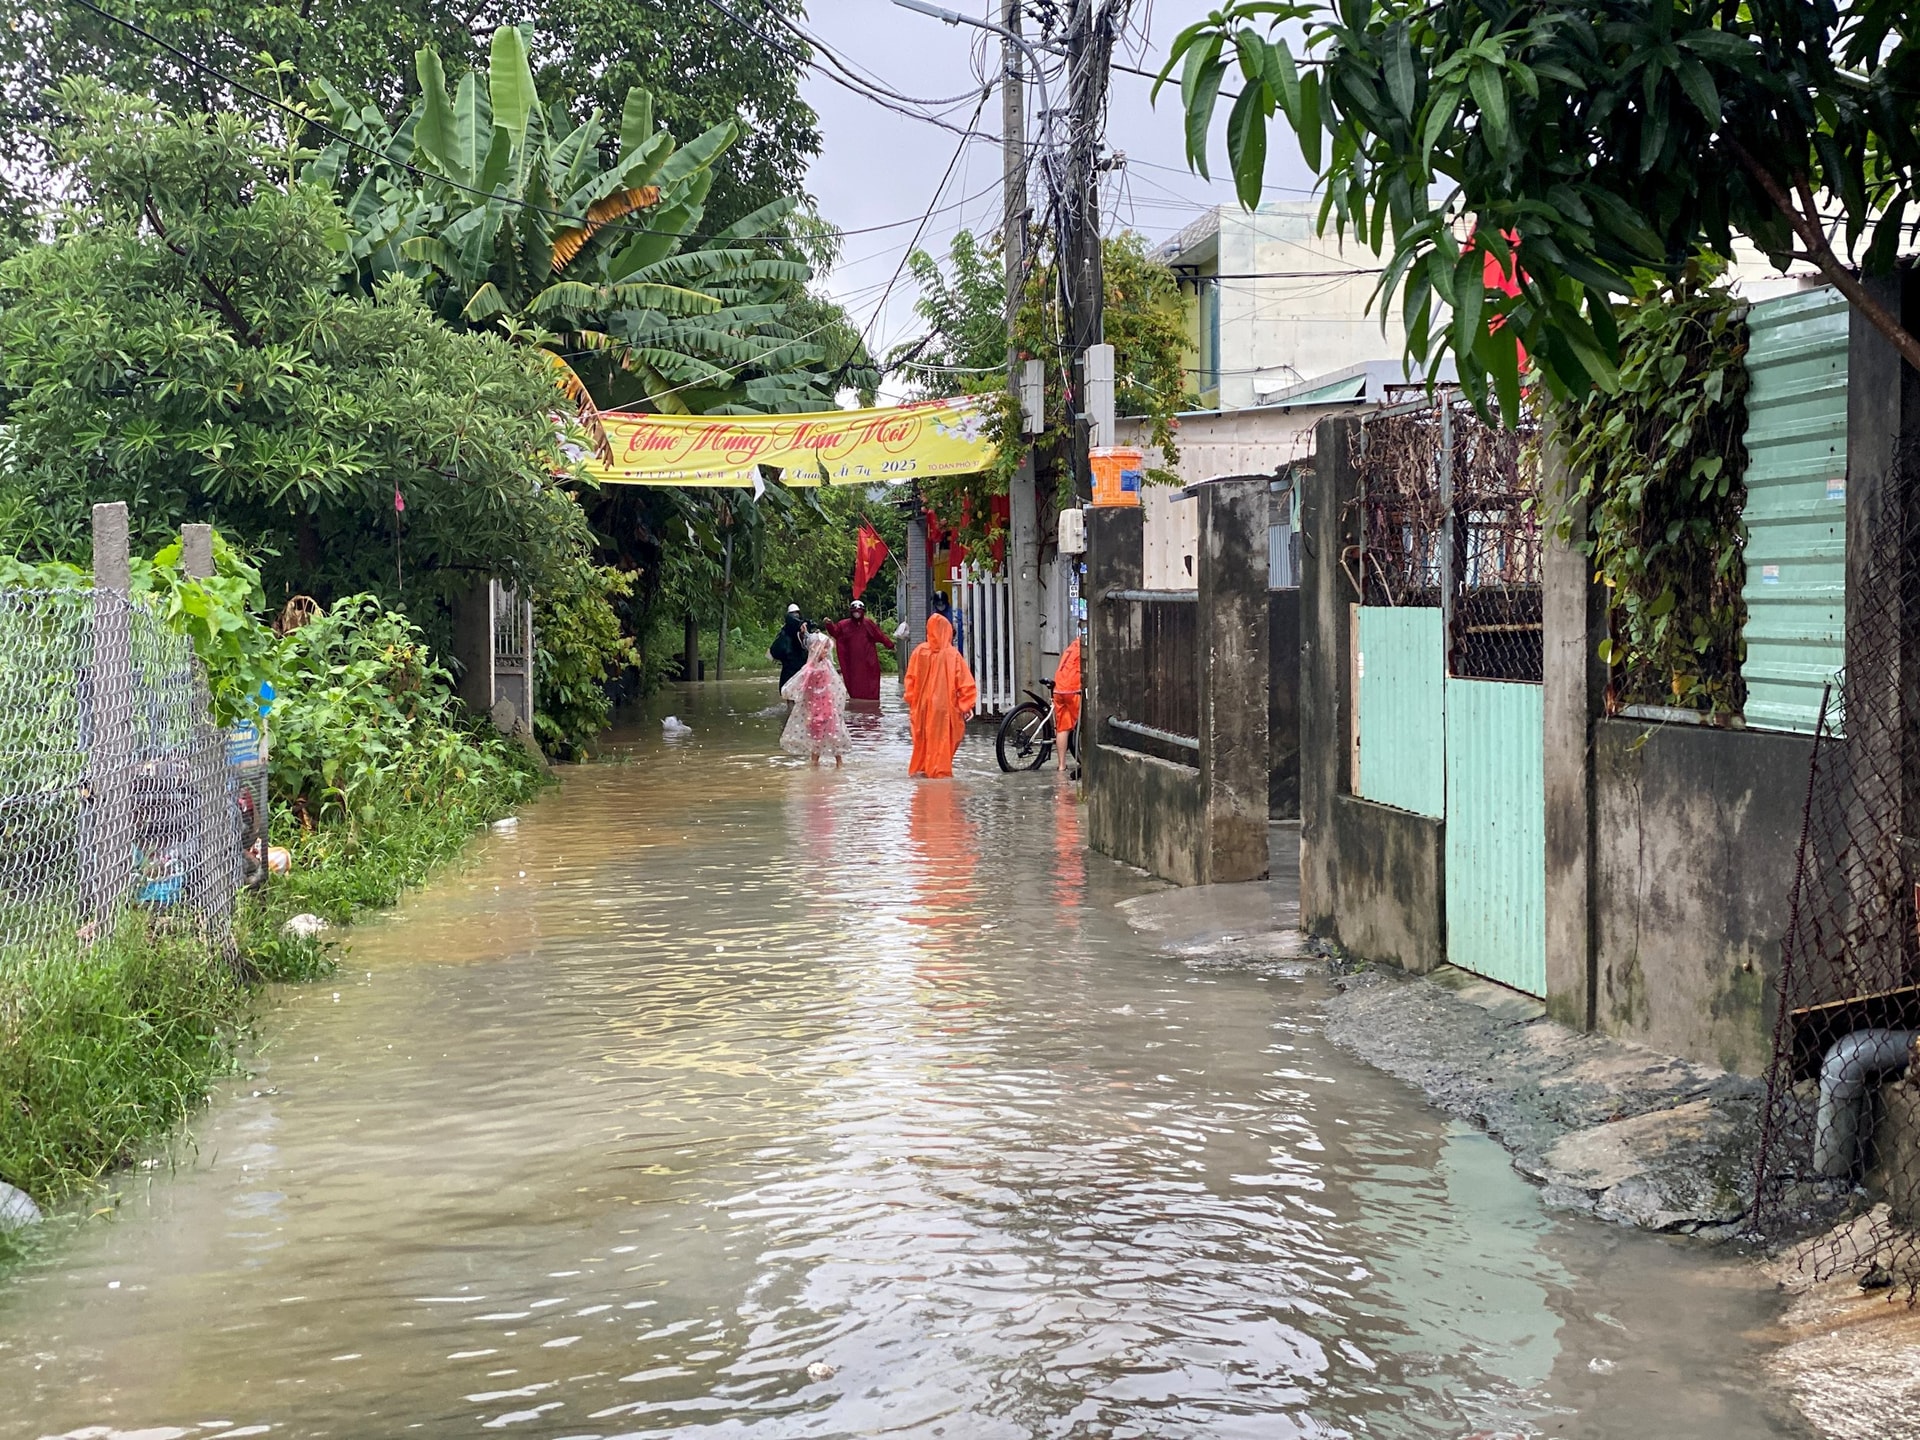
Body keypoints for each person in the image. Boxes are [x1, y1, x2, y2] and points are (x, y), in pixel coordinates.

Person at [904, 612, 977, 779]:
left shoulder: (919, 652)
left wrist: (913, 702)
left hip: (922, 707)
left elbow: (910, 680)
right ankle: (939, 775)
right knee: (942, 741)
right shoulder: (953, 655)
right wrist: (966, 706)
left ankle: (922, 772)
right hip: (944, 708)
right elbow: (965, 683)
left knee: (923, 741)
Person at [779, 632, 852, 767]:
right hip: (814, 706)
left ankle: (838, 762)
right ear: (814, 648)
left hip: (828, 705)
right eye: (823, 647)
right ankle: (815, 763)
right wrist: (790, 693)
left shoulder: (827, 665)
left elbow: (836, 683)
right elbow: (800, 684)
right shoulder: (809, 669)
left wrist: (838, 700)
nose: (825, 651)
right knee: (816, 736)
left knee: (834, 732)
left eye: (826, 648)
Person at [823, 599, 895, 704]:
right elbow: (835, 632)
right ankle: (857, 706)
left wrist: (890, 645)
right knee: (854, 686)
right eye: (854, 612)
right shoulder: (843, 624)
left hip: (868, 662)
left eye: (859, 611)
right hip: (852, 663)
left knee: (871, 686)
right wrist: (829, 624)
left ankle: (871, 707)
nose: (857, 614)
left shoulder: (868, 623)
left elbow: (880, 635)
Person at [1051, 635, 1082, 772]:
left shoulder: (1071, 647)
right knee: (1083, 726)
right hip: (1073, 689)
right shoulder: (1084, 648)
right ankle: (1087, 763)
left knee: (1062, 728)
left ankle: (1062, 766)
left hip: (1058, 689)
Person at [768, 603, 809, 687]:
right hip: (793, 663)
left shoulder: (797, 628)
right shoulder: (798, 627)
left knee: (790, 690)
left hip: (792, 664)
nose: (795, 615)